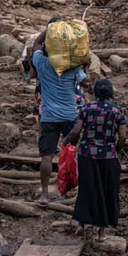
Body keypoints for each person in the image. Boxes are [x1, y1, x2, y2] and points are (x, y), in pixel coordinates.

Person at [31, 19, 88, 208]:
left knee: (47, 157)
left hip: (48, 117)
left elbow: (36, 44)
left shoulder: (42, 64)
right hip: (70, 116)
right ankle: (78, 190)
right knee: (75, 153)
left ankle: (45, 195)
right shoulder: (72, 66)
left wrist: (49, 30)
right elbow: (85, 82)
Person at [65, 79, 127, 238]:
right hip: (108, 156)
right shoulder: (117, 111)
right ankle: (102, 231)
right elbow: (122, 137)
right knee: (107, 191)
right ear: (111, 93)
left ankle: (81, 225)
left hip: (87, 155)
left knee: (86, 189)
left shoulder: (87, 108)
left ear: (95, 92)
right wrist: (116, 150)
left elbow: (76, 130)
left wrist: (67, 142)